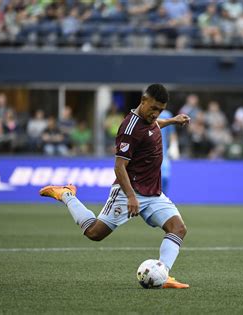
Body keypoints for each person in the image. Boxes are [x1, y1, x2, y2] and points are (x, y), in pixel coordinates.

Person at [39, 84, 191, 289]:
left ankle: (163, 274)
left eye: (160, 110)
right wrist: (130, 197)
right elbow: (119, 167)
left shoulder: (150, 120)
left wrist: (172, 120)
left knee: (178, 228)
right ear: (143, 101)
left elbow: (153, 127)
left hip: (153, 192)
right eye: (153, 108)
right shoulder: (129, 129)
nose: (156, 114)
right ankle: (67, 194)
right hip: (128, 191)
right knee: (94, 233)